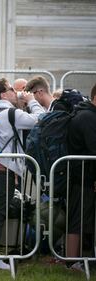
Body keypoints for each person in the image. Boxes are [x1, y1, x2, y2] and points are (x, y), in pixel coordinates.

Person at [0, 78, 45, 270]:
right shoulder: (10, 112)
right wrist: (32, 101)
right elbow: (40, 119)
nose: (15, 92)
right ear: (3, 94)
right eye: (11, 89)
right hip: (4, 169)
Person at [65, 83, 96, 271]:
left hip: (84, 176)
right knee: (77, 220)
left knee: (81, 219)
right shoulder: (87, 117)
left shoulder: (85, 114)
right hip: (83, 178)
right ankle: (71, 262)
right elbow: (94, 148)